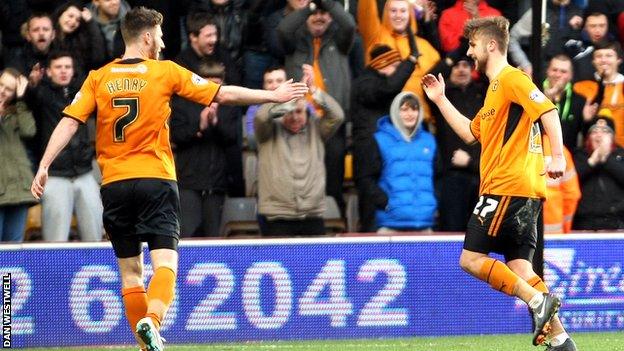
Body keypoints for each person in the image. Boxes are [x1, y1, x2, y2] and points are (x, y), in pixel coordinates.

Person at [30, 6, 308, 351]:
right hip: (156, 180)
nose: (161, 42)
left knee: (131, 274)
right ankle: (153, 321)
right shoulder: (165, 72)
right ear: (147, 37)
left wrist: (43, 164)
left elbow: (70, 121)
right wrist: (273, 96)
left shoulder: (98, 77)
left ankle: (148, 345)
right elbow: (223, 94)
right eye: (159, 36)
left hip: (114, 184)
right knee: (165, 264)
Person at [422, 16, 577, 350]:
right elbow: (469, 133)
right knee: (521, 268)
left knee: (471, 260)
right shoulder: (495, 91)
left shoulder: (511, 79)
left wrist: (559, 157)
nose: (469, 51)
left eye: (473, 44)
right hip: (522, 191)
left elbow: (548, 111)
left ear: (491, 45)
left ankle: (537, 303)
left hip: (506, 186)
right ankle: (562, 341)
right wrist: (439, 99)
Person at [255, 64, 344, 236]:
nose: (295, 117)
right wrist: (287, 101)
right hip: (278, 215)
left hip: (312, 213)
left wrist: (313, 90)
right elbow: (261, 117)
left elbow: (337, 115)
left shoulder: (316, 129)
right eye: (290, 112)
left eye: (299, 111)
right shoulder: (267, 130)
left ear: (307, 110)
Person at [27, 52, 103, 242]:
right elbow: (29, 99)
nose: (63, 71)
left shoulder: (82, 93)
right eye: (58, 67)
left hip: (84, 172)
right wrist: (32, 85)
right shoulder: (41, 94)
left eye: (67, 67)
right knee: (55, 241)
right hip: (55, 175)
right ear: (49, 72)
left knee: (95, 236)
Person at [351, 45, 417, 232]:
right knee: (371, 206)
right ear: (383, 63)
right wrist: (410, 62)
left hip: (383, 152)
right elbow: (389, 88)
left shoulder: (372, 82)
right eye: (396, 66)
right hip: (368, 151)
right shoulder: (365, 83)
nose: (397, 73)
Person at [359, 91, 437, 233]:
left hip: (424, 223)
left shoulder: (429, 140)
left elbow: (438, 176)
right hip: (390, 223)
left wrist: (433, 205)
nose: (410, 114)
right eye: (404, 109)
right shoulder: (379, 140)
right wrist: (386, 203)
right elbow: (366, 178)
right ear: (395, 112)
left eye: (414, 109)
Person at [432, 55, 483, 232]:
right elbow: (428, 79)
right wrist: (457, 52)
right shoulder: (442, 96)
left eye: (466, 65)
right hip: (451, 178)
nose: (461, 69)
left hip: (480, 175)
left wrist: (471, 162)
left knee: (480, 235)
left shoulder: (483, 93)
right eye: (456, 66)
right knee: (452, 232)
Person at [0, 69, 36, 242]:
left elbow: (29, 131)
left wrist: (21, 101)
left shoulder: (17, 112)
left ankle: (9, 273)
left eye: (8, 89)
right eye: (0, 84)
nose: (2, 91)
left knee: (13, 248)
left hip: (19, 189)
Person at [573, 114, 624, 230]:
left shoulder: (621, 155)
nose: (599, 135)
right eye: (594, 131)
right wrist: (591, 162)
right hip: (583, 223)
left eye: (605, 131)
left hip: (616, 222)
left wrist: (606, 159)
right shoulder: (579, 155)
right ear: (588, 137)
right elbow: (570, 181)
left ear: (613, 137)